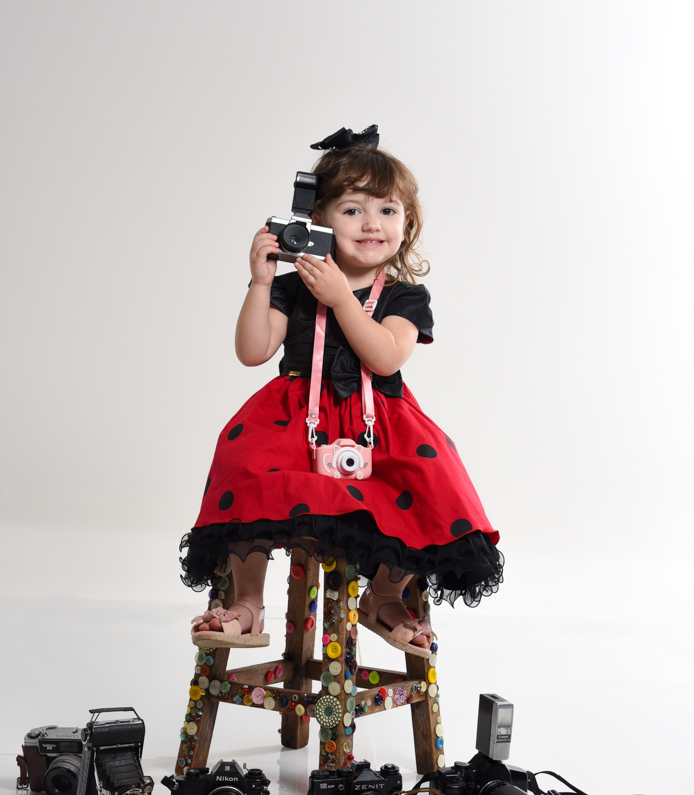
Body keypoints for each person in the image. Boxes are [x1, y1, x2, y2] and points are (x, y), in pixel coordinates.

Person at [181, 125, 503, 653]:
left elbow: (385, 355)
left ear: (407, 222)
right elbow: (253, 351)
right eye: (353, 209)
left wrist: (342, 299)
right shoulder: (293, 287)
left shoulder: (405, 296)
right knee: (248, 463)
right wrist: (261, 282)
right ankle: (249, 602)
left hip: (378, 421)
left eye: (387, 210)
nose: (372, 223)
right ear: (318, 220)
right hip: (295, 418)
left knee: (426, 477)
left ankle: (384, 596)